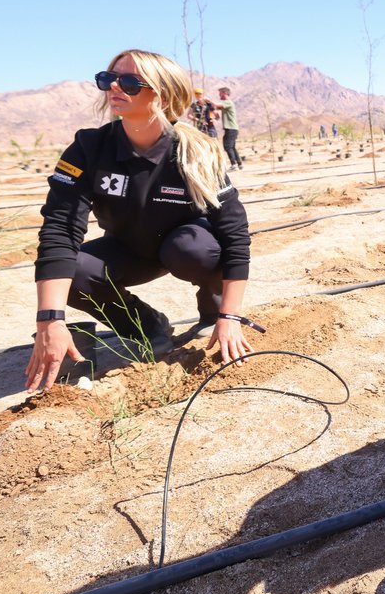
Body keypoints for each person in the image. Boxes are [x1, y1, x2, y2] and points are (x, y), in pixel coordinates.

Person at [26, 49, 255, 392]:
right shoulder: (89, 148)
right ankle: (147, 326)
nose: (115, 87)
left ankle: (212, 311)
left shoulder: (195, 152)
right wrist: (50, 320)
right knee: (73, 269)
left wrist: (230, 317)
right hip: (129, 247)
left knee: (192, 247)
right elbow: (60, 228)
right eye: (108, 79)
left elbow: (235, 235)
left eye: (130, 82)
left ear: (162, 95)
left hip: (186, 247)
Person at [215, 86, 243, 170]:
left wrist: (208, 100)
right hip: (232, 129)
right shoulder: (226, 104)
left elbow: (216, 105)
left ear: (224, 93)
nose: (219, 95)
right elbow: (216, 107)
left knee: (227, 146)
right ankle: (239, 164)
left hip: (231, 128)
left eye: (220, 93)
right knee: (232, 147)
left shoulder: (228, 102)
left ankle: (234, 164)